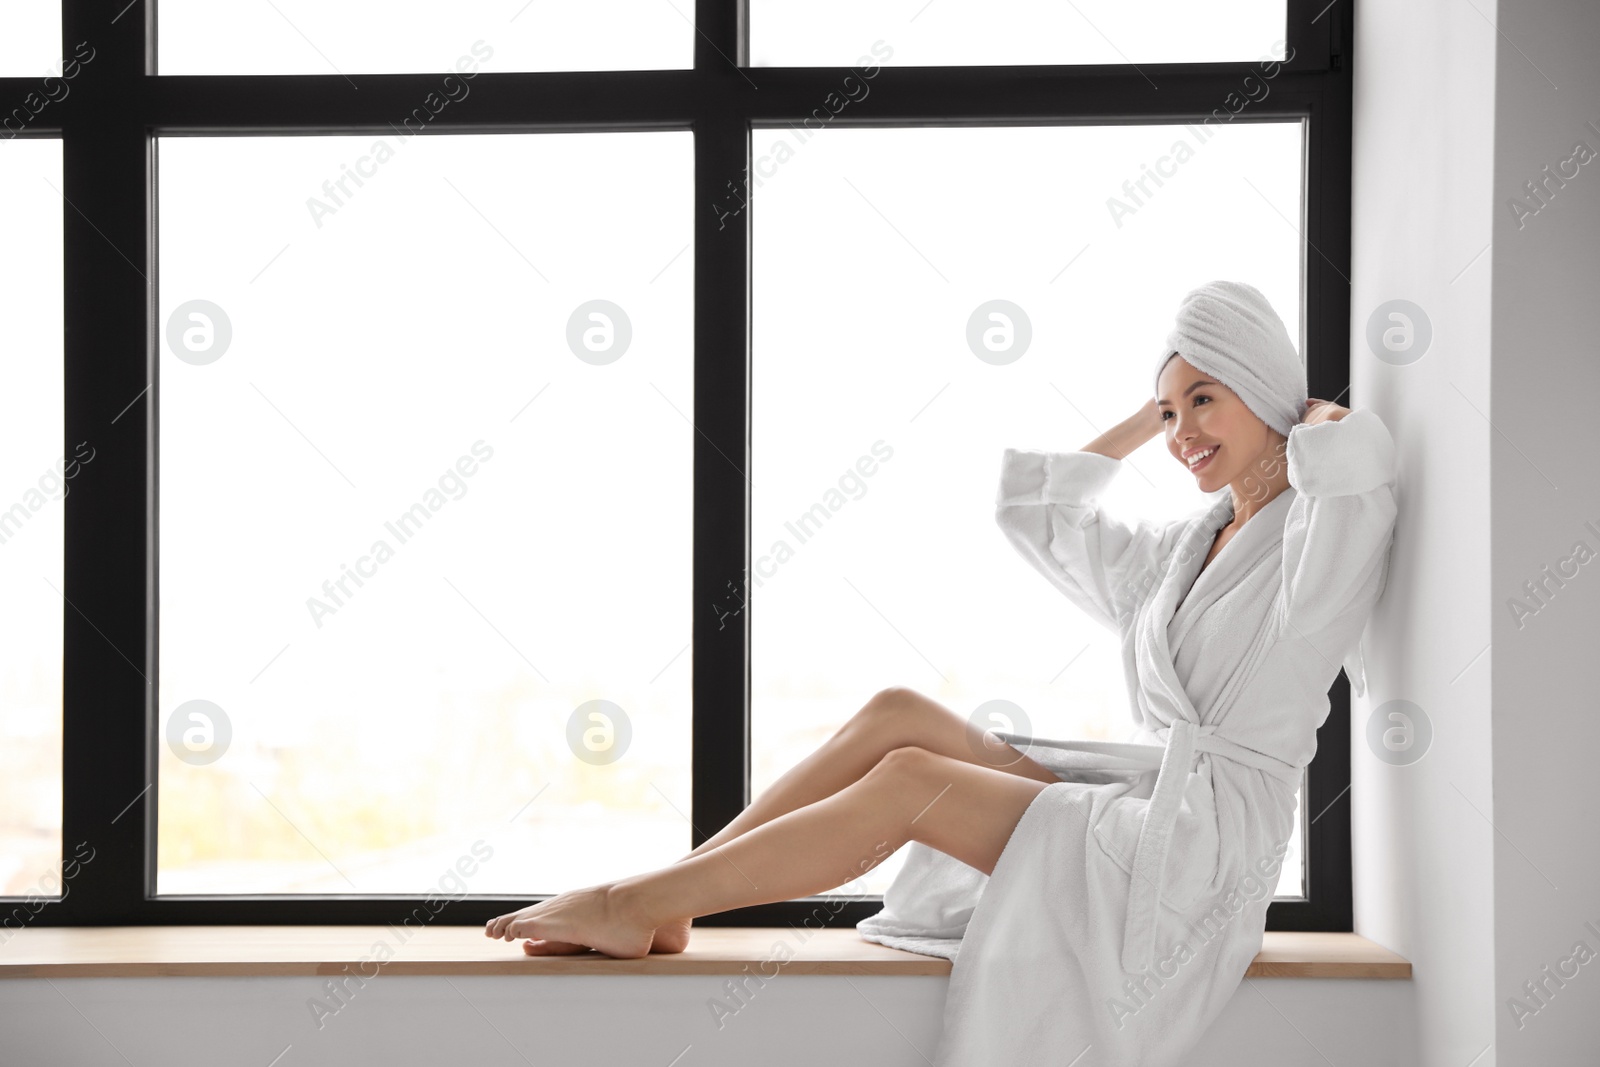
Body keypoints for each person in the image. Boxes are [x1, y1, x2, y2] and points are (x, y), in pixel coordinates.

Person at [485, 280, 1398, 1067]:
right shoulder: (1184, 548)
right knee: (896, 714)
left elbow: (1352, 483)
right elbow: (1035, 509)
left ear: (1269, 388)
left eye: (1206, 400)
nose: (1181, 435)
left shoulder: (1315, 538)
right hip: (1149, 799)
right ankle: (677, 888)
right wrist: (1161, 402)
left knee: (913, 783)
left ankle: (631, 902)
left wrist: (1304, 421)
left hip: (1205, 845)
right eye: (1171, 414)